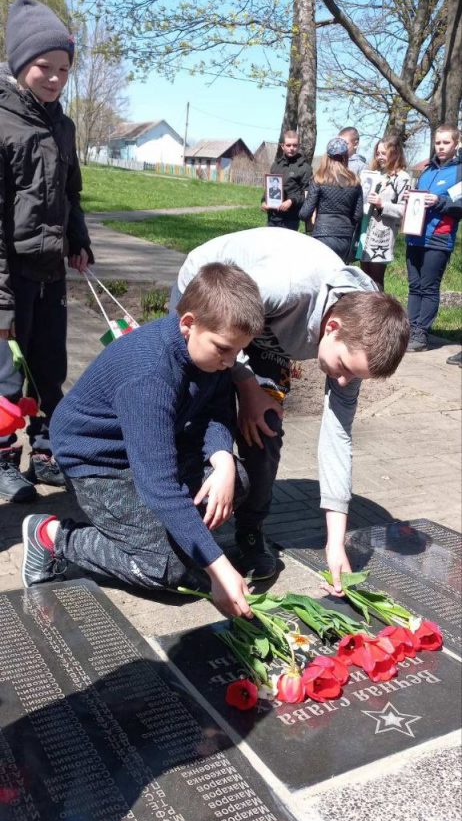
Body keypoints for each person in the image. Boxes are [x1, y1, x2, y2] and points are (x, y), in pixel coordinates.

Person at [170, 228, 410, 592]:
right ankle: (179, 519)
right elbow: (223, 321)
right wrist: (246, 385)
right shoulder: (286, 285)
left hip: (269, 334)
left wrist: (335, 542)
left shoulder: (364, 336)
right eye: (343, 368)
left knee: (264, 426)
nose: (344, 382)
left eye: (354, 376)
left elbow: (337, 435)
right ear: (332, 327)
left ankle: (250, 531)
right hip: (216, 301)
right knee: (194, 408)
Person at [21, 263, 265, 620]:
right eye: (224, 350)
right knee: (164, 569)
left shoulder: (208, 356)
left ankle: (166, 533)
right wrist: (219, 566)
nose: (230, 363)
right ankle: (54, 538)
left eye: (238, 352)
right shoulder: (149, 375)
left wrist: (222, 458)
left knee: (234, 482)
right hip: (99, 463)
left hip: (149, 448)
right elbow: (159, 486)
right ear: (188, 324)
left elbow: (216, 408)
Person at [0, 0, 93, 504]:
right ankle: (0, 460)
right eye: (44, 67)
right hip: (9, 275)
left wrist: (78, 239)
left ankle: (42, 451)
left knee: (47, 366)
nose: (55, 78)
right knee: (5, 375)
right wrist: (2, 304)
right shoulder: (4, 121)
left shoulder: (63, 123)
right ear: (20, 64)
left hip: (50, 269)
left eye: (64, 69)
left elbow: (70, 192)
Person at [405, 125, 462, 353]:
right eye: (438, 142)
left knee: (428, 287)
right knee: (414, 286)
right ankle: (409, 329)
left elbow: (459, 206)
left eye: (446, 142)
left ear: (456, 144)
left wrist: (438, 202)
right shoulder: (427, 170)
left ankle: (421, 334)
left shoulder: (459, 172)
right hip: (414, 236)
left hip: (438, 237)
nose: (441, 147)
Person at [358, 134, 410, 291]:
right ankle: (366, 312)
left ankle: (381, 313)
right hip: (366, 231)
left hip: (382, 235)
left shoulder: (403, 178)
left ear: (394, 153)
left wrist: (382, 204)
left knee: (376, 280)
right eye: (377, 153)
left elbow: (403, 210)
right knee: (364, 279)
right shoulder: (377, 175)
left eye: (383, 153)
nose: (380, 157)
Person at [299, 137, 363, 262]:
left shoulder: (318, 179)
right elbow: (358, 215)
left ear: (327, 157)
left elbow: (305, 213)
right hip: (345, 237)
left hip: (322, 235)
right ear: (345, 157)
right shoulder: (354, 181)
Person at [261, 130, 312, 231]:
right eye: (288, 145)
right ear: (282, 146)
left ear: (299, 146)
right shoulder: (276, 165)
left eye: (294, 145)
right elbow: (269, 187)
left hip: (290, 219)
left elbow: (307, 194)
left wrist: (291, 201)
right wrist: (263, 201)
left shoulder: (305, 168)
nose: (292, 148)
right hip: (273, 217)